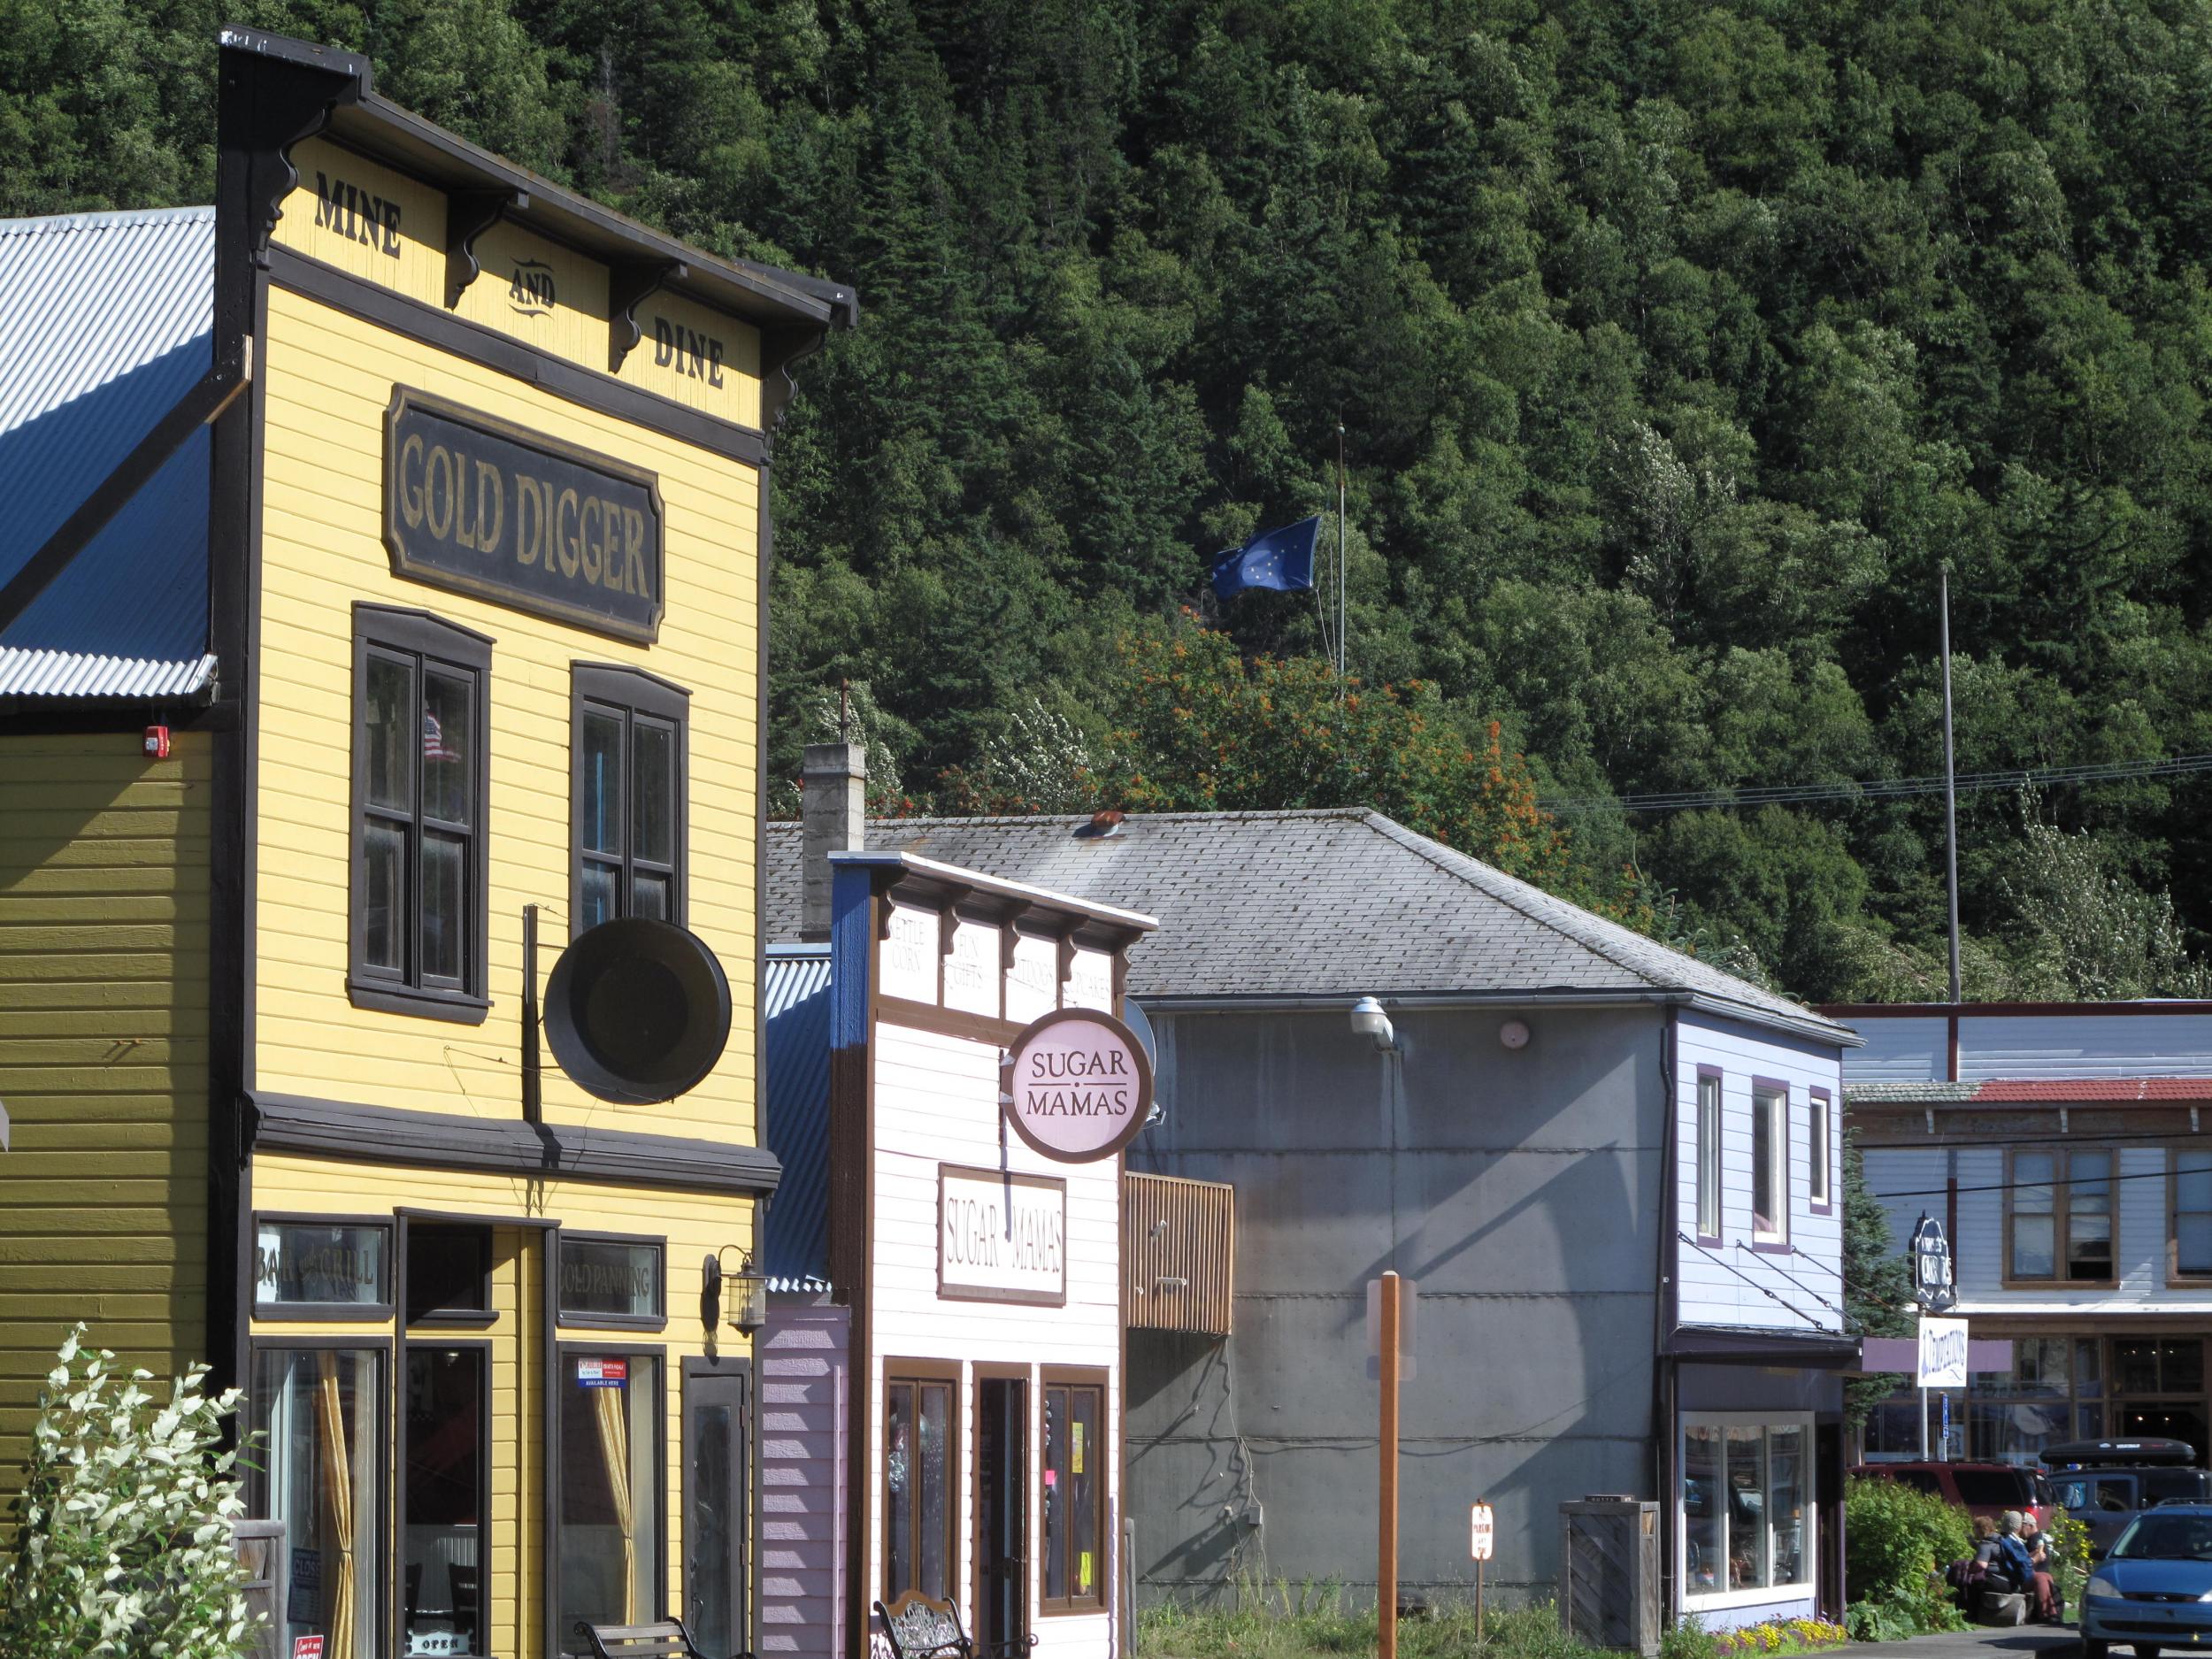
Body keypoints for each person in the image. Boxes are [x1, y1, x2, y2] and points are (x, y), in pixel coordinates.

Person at [1997, 1510, 2062, 1623]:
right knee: (2041, 1577)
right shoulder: (2008, 1541)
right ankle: (2046, 1614)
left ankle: (2052, 1613)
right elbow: (2020, 1563)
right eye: (2020, 1525)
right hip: (2015, 1578)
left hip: (2021, 1575)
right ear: (2016, 1526)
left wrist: (2033, 1555)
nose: (2021, 1528)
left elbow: (2021, 1558)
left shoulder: (2015, 1540)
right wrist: (2035, 1558)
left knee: (2045, 1576)